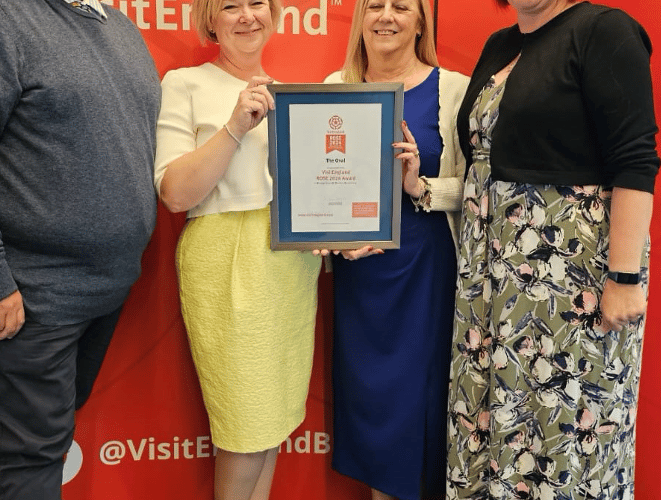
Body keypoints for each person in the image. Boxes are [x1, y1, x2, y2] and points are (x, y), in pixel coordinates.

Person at [446, 1, 659, 498]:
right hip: (486, 283)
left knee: (563, 439)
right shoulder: (501, 44)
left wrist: (623, 280)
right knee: (487, 429)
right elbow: (484, 165)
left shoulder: (604, 31)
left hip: (569, 286)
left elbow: (634, 161)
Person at [154, 0, 321, 498]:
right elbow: (175, 193)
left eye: (258, 4)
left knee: (272, 425)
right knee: (245, 431)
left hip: (288, 265)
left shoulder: (291, 96)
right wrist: (233, 127)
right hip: (225, 259)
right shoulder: (185, 84)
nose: (247, 15)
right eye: (231, 6)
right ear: (210, 20)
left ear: (274, 15)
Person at [0, 1, 161, 499]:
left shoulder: (122, 29)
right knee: (30, 460)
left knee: (41, 442)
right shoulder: (10, 18)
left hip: (106, 293)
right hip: (34, 297)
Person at [323, 0, 468, 497]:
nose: (386, 16)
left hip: (428, 273)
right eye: (375, 6)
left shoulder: (455, 89)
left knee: (422, 411)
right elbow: (313, 196)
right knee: (375, 411)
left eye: (401, 6)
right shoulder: (331, 90)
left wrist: (419, 186)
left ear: (421, 20)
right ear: (360, 20)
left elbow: (477, 189)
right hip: (362, 278)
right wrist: (335, 240)